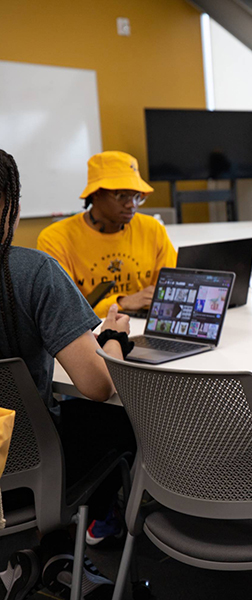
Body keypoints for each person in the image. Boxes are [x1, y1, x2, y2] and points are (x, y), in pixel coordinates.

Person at [0, 149, 137, 599]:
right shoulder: (32, 272)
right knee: (119, 420)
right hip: (20, 466)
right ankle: (69, 549)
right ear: (13, 206)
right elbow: (96, 385)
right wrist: (114, 337)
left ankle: (38, 556)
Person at [37, 151, 177, 318]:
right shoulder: (56, 238)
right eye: (122, 195)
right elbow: (65, 310)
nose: (131, 204)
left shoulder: (152, 229)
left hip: (144, 326)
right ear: (96, 194)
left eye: (137, 196)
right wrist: (122, 303)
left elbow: (172, 289)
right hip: (91, 334)